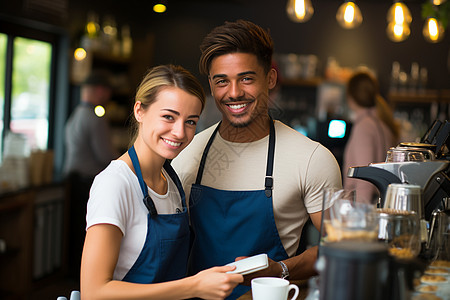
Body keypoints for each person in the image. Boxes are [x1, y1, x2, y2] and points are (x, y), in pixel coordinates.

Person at [171, 20, 342, 299]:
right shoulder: (187, 154)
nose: (234, 92)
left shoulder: (312, 159)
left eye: (246, 78)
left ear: (271, 79)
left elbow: (341, 247)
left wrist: (282, 270)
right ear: (212, 86)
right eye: (221, 81)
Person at [80, 64, 243, 300]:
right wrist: (195, 286)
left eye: (190, 122)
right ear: (139, 111)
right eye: (169, 117)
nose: (179, 132)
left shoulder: (172, 182)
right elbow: (94, 293)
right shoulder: (115, 184)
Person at [64, 70, 118, 280]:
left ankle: (76, 275)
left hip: (73, 179)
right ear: (99, 91)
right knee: (88, 234)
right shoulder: (94, 118)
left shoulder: (76, 114)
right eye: (106, 92)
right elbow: (106, 155)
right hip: (87, 182)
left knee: (76, 231)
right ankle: (88, 279)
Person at [342, 70, 400, 204]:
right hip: (378, 204)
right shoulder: (382, 123)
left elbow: (366, 179)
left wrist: (358, 218)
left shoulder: (364, 127)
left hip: (364, 208)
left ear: (350, 96)